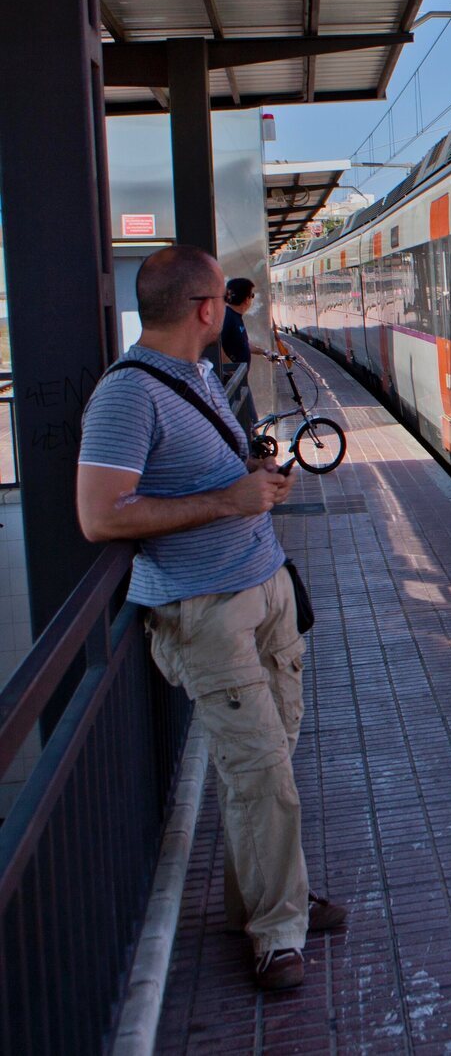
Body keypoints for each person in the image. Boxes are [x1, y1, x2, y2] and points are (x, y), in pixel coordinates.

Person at [75, 245, 345, 993]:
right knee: (262, 775)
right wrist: (229, 501)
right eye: (223, 301)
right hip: (208, 611)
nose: (228, 312)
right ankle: (277, 932)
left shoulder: (193, 373)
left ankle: (262, 897)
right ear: (205, 308)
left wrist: (249, 479)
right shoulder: (127, 395)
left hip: (264, 592)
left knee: (267, 765)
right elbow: (100, 516)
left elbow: (203, 476)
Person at [220, 277, 267, 426]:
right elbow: (216, 345)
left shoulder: (235, 317)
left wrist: (265, 352)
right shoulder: (227, 317)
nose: (252, 300)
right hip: (232, 383)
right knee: (249, 422)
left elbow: (244, 344)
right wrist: (232, 371)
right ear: (246, 299)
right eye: (251, 295)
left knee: (251, 421)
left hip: (239, 381)